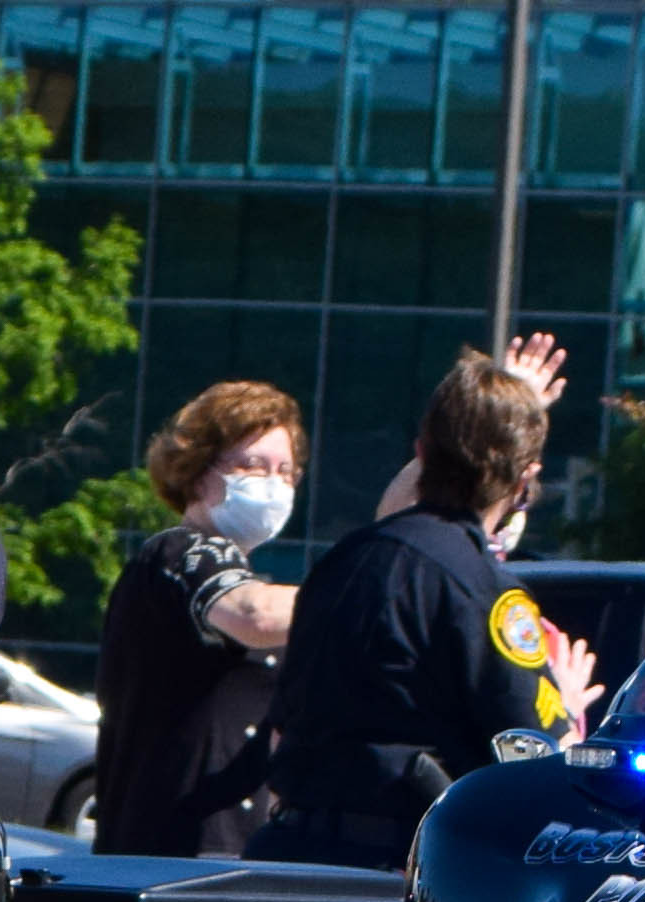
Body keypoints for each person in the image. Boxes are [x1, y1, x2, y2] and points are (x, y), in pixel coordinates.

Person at [244, 349, 597, 870]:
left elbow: (283, 723)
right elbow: (532, 754)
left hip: (289, 856)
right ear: (526, 479)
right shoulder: (485, 590)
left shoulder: (340, 563)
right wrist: (562, 703)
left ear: (421, 453)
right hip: (393, 870)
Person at [89, 380, 303, 855]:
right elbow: (252, 615)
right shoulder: (182, 553)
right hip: (170, 859)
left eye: (286, 471)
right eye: (252, 465)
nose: (274, 484)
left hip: (239, 854)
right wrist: (354, 590)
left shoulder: (248, 577)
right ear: (199, 473)